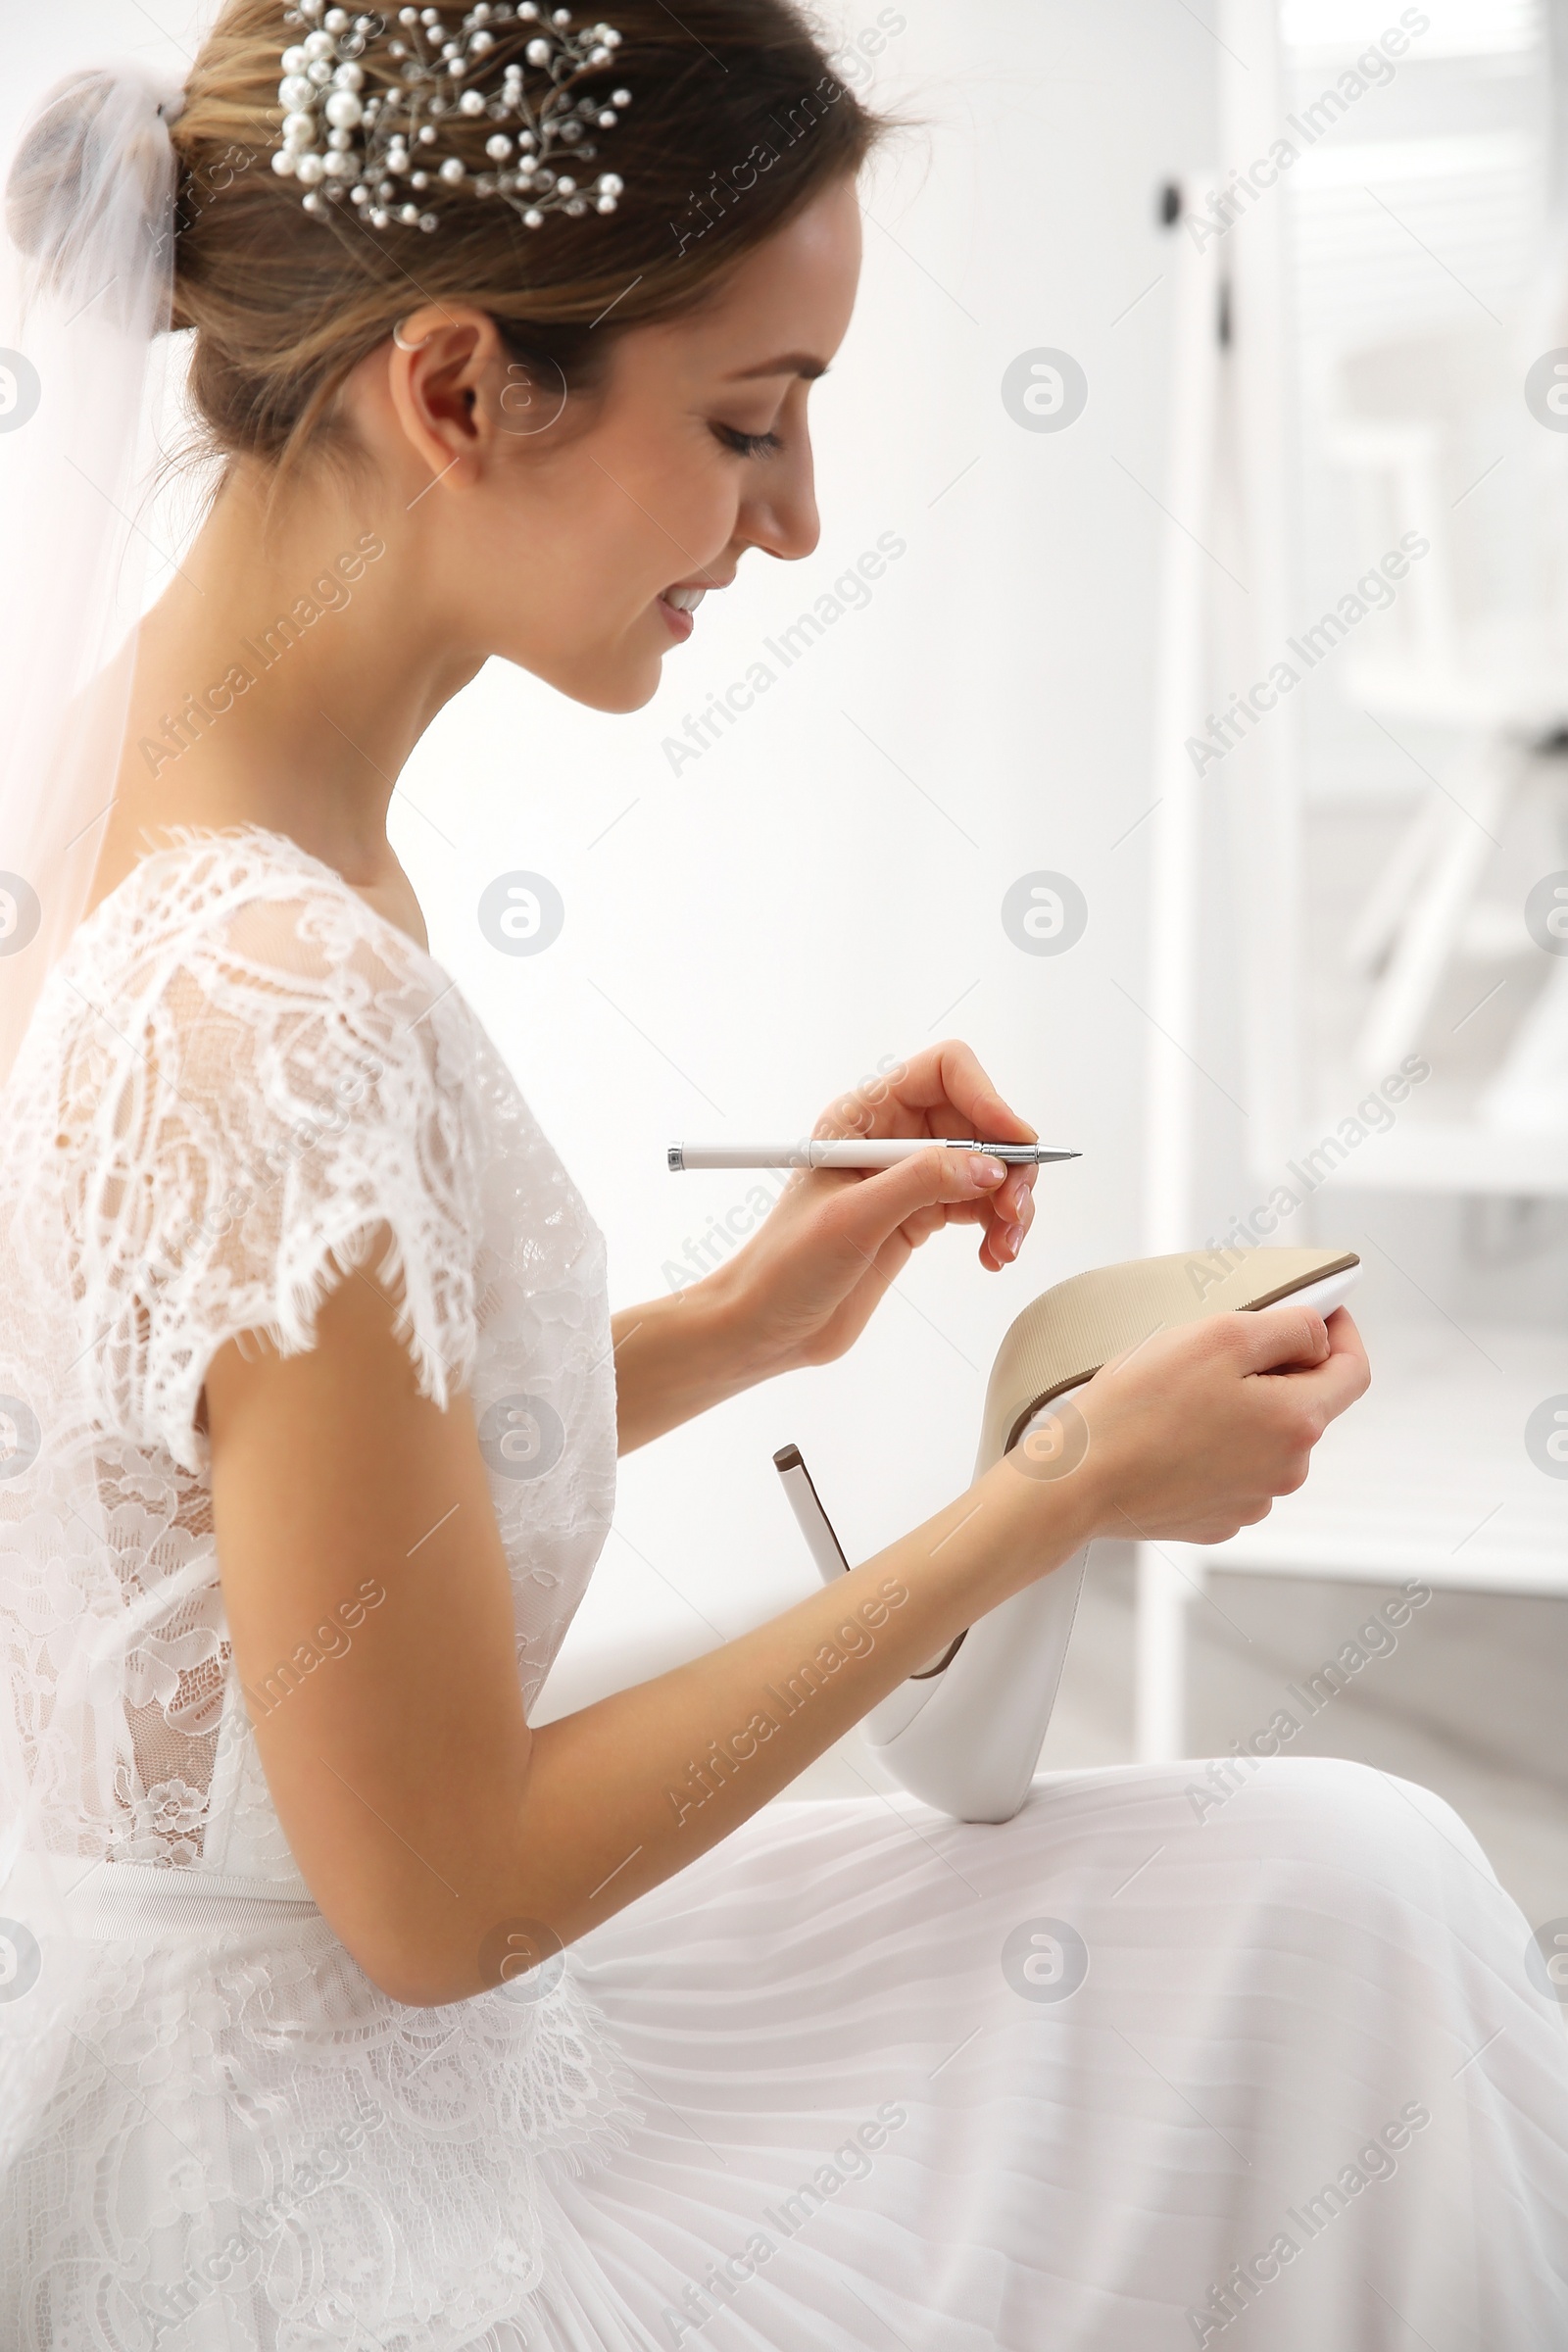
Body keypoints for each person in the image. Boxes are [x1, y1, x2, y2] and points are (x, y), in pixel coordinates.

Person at [0, 4, 1563, 2346]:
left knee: (1332, 1894)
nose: (796, 516)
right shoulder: (270, 1006)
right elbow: (440, 1899)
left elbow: (226, 1516)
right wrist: (1039, 1504)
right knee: (1339, 1921)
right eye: (746, 422)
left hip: (281, 2040)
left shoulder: (158, 809)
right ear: (452, 392)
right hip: (340, 2182)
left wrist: (746, 1320)